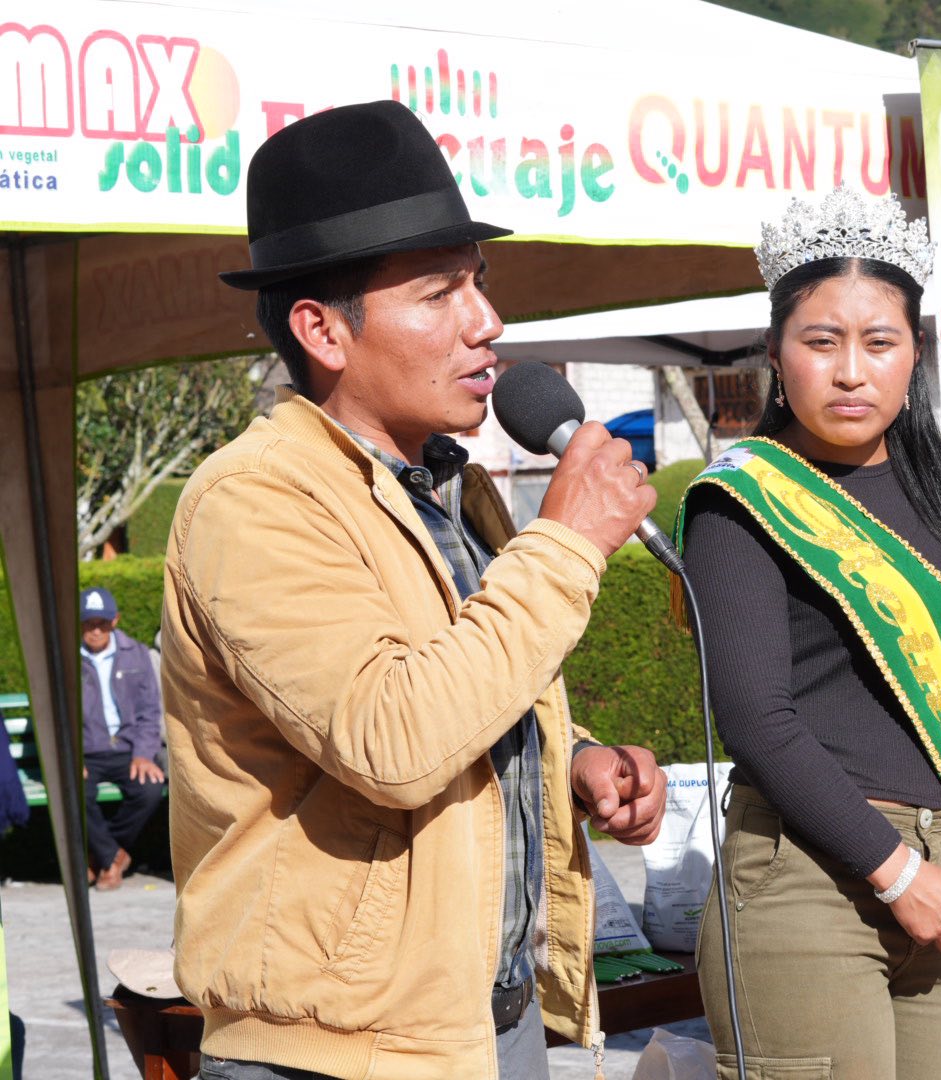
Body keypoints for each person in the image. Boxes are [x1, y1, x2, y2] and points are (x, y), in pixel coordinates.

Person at [164, 100, 667, 1080]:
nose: (487, 323)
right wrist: (565, 544)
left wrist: (570, 762)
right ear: (322, 330)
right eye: (439, 294)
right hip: (331, 1051)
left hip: (483, 1018)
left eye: (479, 283)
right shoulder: (250, 500)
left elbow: (463, 693)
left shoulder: (449, 486)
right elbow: (392, 739)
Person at [677, 185, 941, 1080]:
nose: (851, 372)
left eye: (879, 343)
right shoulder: (740, 500)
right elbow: (756, 718)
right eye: (821, 342)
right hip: (808, 880)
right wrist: (895, 872)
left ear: (914, 353)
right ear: (774, 354)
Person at [77, 586, 164, 890]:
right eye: (89, 623)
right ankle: (113, 858)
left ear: (115, 620)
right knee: (74, 792)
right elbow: (58, 715)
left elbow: (150, 711)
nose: (96, 630)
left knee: (150, 789)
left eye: (102, 623)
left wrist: (144, 754)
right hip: (86, 753)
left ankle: (102, 856)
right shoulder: (65, 659)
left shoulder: (136, 654)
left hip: (128, 751)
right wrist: (71, 758)